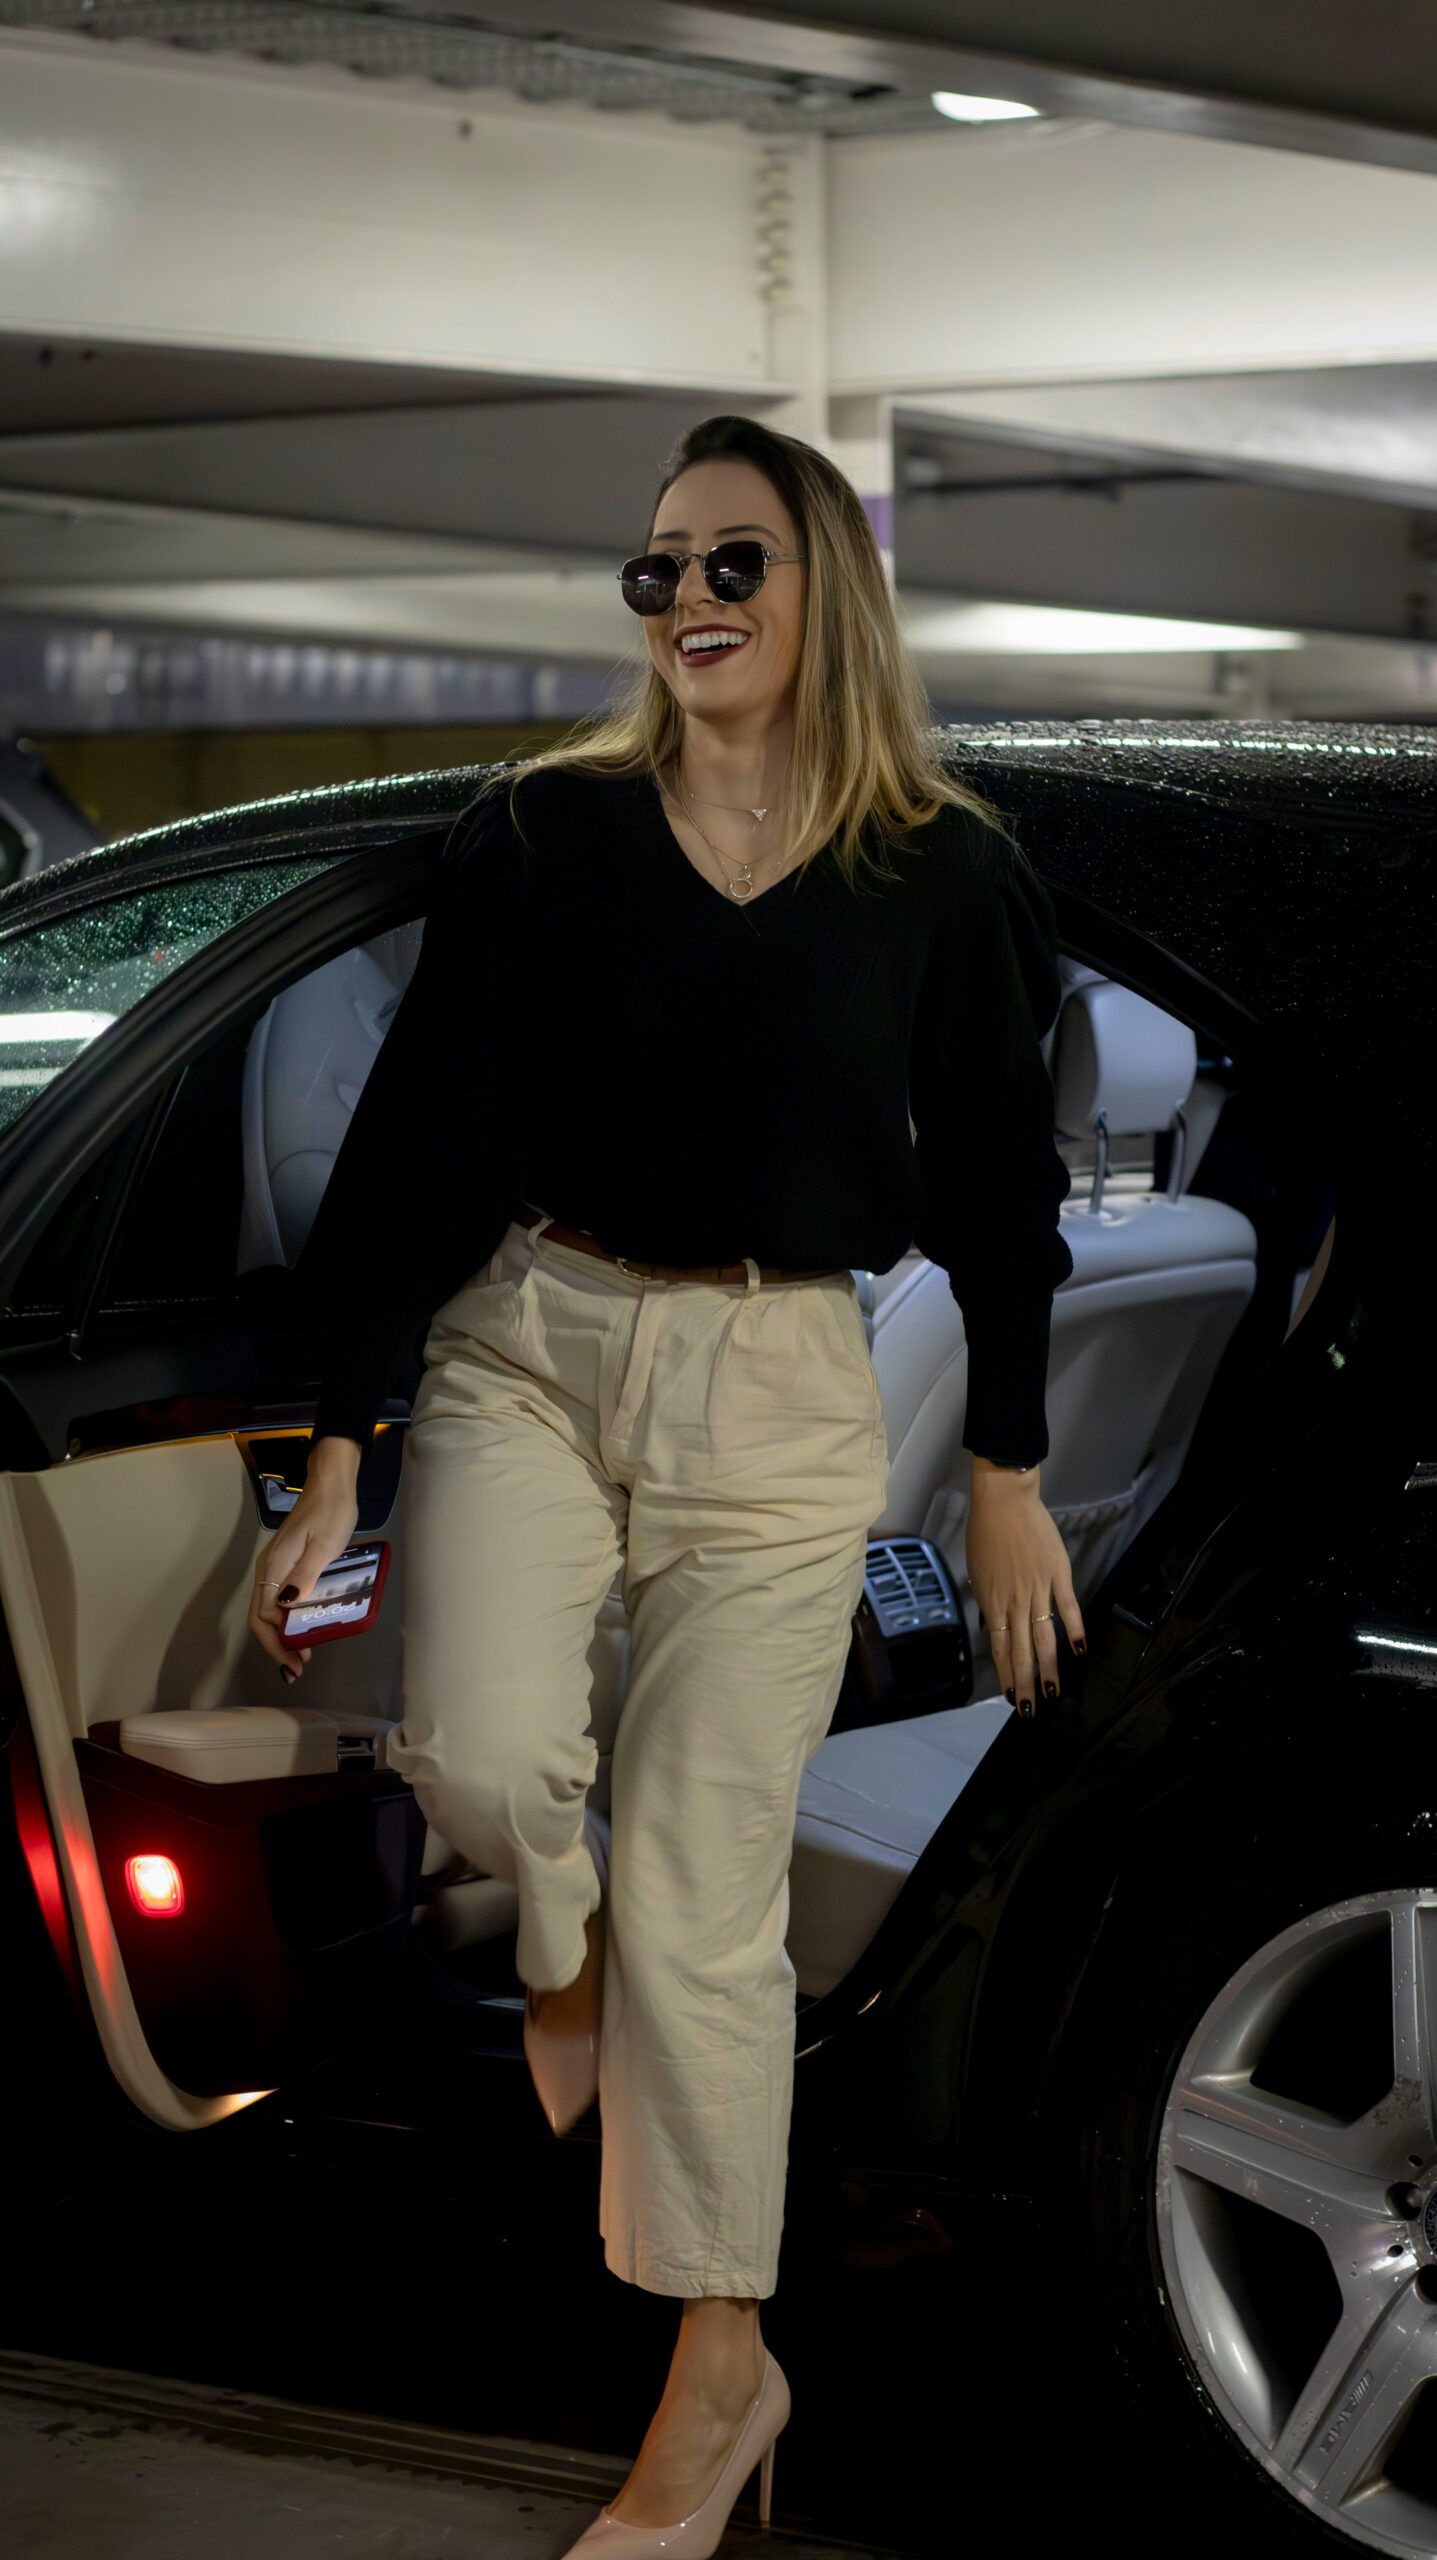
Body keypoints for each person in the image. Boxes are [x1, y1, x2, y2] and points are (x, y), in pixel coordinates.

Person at [246, 411, 1085, 2558]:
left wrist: (1004, 1466)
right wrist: (339, 1445)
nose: (687, 605)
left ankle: (715, 2374)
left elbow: (999, 1192)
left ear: (821, 592)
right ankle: (563, 1945)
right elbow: (422, 1140)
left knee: (711, 1905)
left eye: (728, 566)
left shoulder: (944, 871)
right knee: (484, 1758)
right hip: (533, 1344)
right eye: (655, 574)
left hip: (783, 1390)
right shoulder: (547, 833)